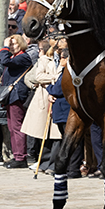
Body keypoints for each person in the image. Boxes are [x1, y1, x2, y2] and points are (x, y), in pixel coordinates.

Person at [21, 39, 61, 170]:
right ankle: (43, 162)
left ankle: (53, 163)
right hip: (43, 97)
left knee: (56, 134)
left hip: (58, 96)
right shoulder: (44, 60)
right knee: (44, 132)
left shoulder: (64, 58)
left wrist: (50, 79)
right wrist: (55, 78)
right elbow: (38, 76)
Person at [0, 34, 34, 169]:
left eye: (14, 44)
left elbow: (5, 62)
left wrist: (4, 47)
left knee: (17, 127)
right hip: (11, 96)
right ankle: (16, 155)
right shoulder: (14, 57)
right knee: (12, 127)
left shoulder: (23, 57)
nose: (11, 46)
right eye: (10, 44)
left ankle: (21, 157)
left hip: (17, 95)